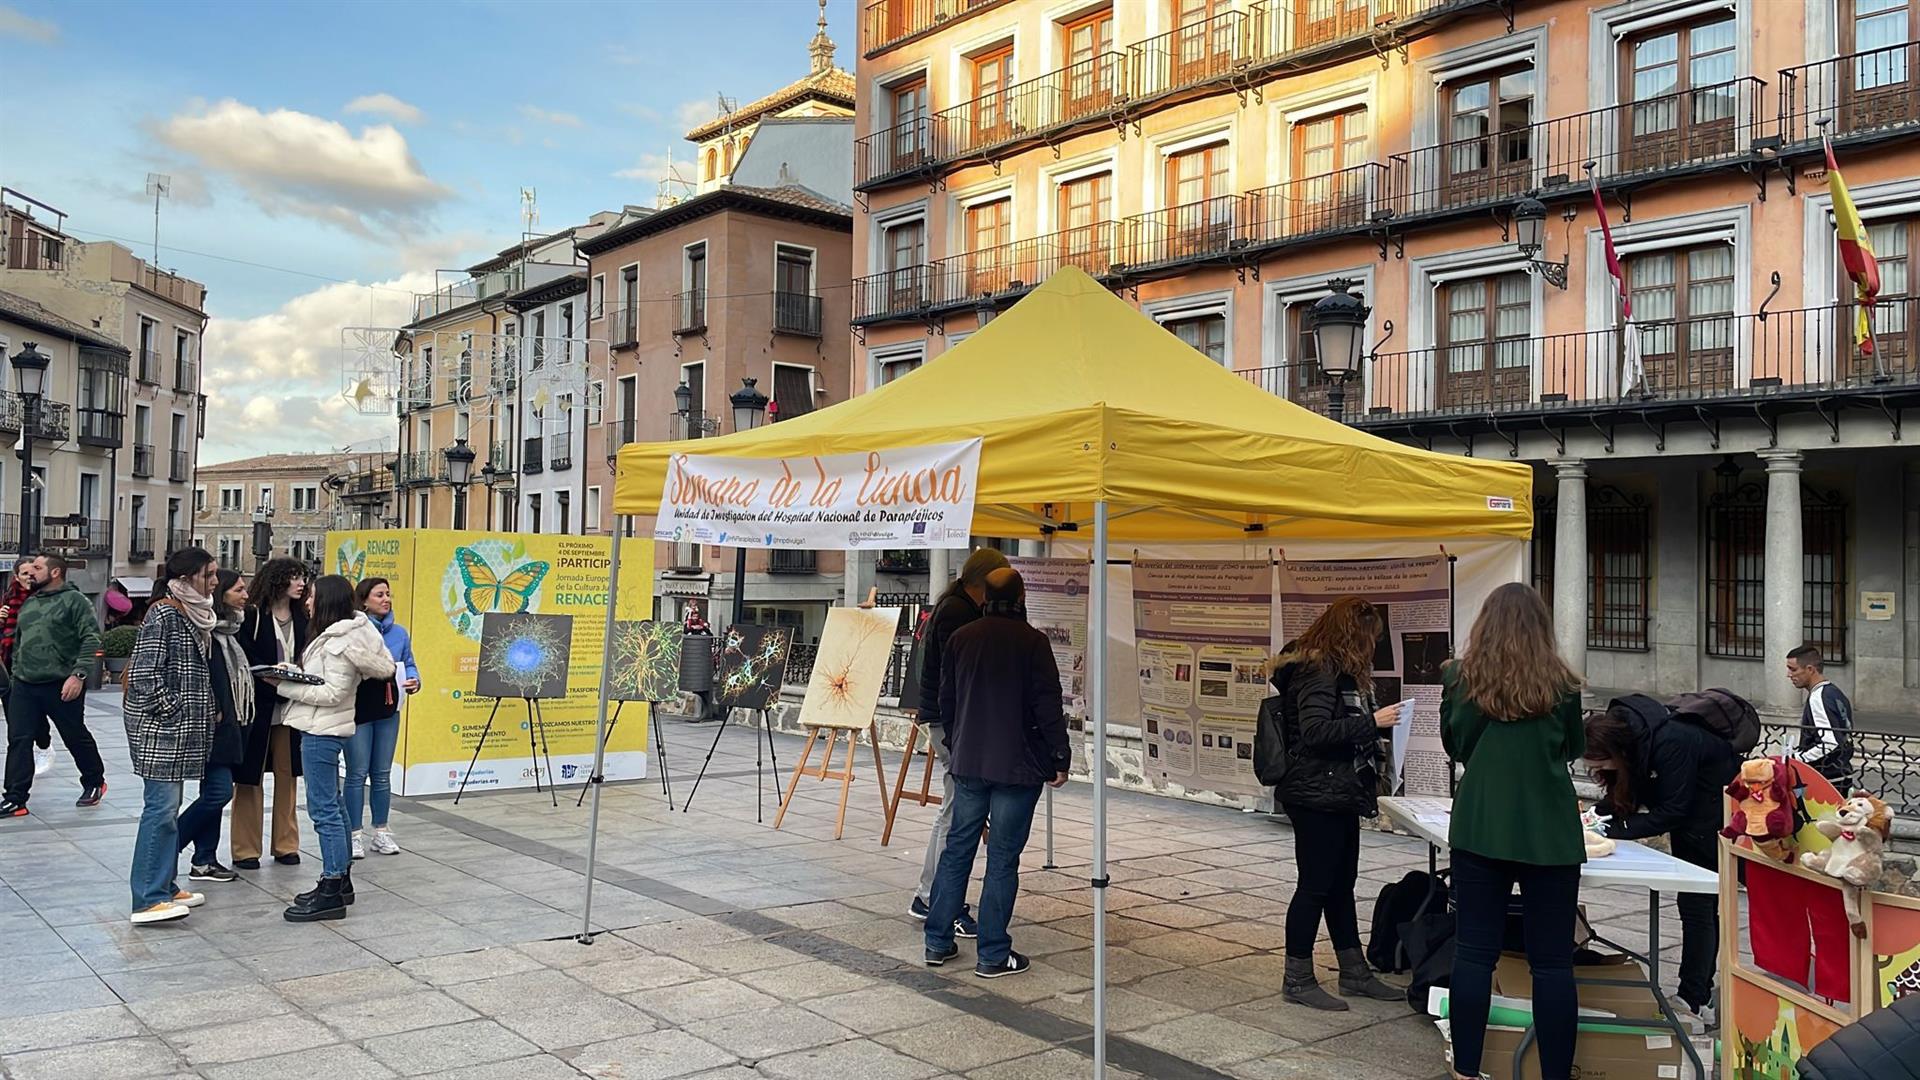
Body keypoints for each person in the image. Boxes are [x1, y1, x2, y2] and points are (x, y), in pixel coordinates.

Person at [1441, 583, 1586, 1080]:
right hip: (1550, 832)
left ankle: (1466, 1070)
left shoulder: (1461, 678)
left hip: (1482, 825)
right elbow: (1572, 748)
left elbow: (1457, 744)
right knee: (1552, 964)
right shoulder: (1562, 683)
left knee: (1474, 953)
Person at [923, 567, 1069, 979]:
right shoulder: (1033, 643)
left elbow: (946, 700)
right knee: (1003, 859)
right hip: (1017, 767)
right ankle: (992, 953)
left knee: (957, 851)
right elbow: (1047, 705)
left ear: (985, 595)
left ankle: (936, 942)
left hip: (969, 761)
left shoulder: (962, 639)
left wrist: (956, 743)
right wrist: (1060, 757)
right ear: (1021, 598)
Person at [1269, 596, 1403, 1010]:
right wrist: (1372, 723)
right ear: (1353, 635)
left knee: (1341, 884)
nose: (1373, 647)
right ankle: (1297, 978)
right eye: (1371, 638)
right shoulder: (1319, 671)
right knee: (1314, 886)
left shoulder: (1335, 669)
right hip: (1315, 792)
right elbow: (1314, 731)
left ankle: (1354, 972)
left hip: (1337, 790)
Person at [1584, 695, 1738, 1017]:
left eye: (1599, 764)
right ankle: (1699, 991)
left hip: (1710, 819)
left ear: (1615, 751)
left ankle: (1695, 997)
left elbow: (1673, 811)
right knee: (1695, 906)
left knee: (1698, 905)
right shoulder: (1637, 738)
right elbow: (1626, 793)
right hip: (1694, 815)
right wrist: (1595, 817)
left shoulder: (1671, 742)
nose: (1596, 771)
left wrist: (1612, 829)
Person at [270, 574, 398, 921]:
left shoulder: (342, 641)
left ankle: (331, 886)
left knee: (323, 809)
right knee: (335, 806)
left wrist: (283, 686)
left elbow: (331, 693)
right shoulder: (342, 634)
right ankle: (340, 882)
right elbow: (322, 680)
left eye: (311, 597)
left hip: (322, 731)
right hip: (325, 728)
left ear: (325, 601)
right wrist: (292, 672)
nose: (307, 602)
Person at [908, 547, 1009, 939]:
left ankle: (930, 894)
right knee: (956, 814)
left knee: (953, 810)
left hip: (946, 719)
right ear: (985, 582)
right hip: (951, 723)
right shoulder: (957, 611)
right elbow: (960, 672)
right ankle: (936, 898)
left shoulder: (954, 605)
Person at [123, 548, 221, 924]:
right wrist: (175, 711)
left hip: (176, 732)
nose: (214, 581)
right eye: (208, 574)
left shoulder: (192, 613)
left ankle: (163, 884)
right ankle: (147, 897)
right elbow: (146, 676)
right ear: (188, 577)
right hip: (161, 731)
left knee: (168, 810)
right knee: (160, 811)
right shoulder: (165, 613)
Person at [1, 554, 106, 817]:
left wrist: (78, 675)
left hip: (61, 683)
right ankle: (15, 798)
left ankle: (94, 781)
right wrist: (16, 676)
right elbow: (18, 642)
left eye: (37, 568)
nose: (30, 573)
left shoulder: (75, 601)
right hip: (25, 685)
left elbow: (91, 638)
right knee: (19, 739)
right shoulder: (30, 602)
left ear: (55, 572)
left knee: (74, 735)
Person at [174, 569, 256, 885]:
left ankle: (205, 859)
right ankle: (171, 845)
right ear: (222, 594)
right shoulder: (205, 632)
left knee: (216, 793)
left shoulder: (234, 632)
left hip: (231, 726)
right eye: (238, 590)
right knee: (219, 793)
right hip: (211, 726)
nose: (245, 595)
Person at [232, 557, 310, 867]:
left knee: (288, 776)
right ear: (277, 580)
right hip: (259, 707)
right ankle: (245, 849)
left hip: (292, 708)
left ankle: (286, 844)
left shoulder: (304, 617)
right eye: (294, 577)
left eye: (303, 577)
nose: (301, 583)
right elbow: (244, 659)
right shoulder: (252, 617)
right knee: (249, 780)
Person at [347, 577, 417, 858]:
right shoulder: (353, 630)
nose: (386, 599)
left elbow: (409, 662)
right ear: (364, 600)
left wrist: (413, 679)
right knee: (356, 773)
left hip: (389, 708)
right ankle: (353, 834)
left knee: (382, 774)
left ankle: (381, 831)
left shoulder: (399, 633)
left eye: (388, 594)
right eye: (379, 595)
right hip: (361, 709)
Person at [0, 563, 54, 779]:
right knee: (16, 724)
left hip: (38, 667)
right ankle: (18, 785)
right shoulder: (8, 597)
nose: (29, 577)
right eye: (25, 574)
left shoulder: (44, 597)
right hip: (10, 665)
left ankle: (44, 745)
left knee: (38, 715)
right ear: (16, 576)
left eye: (33, 573)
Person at [1787, 645, 1854, 787]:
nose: (1789, 674)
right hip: (1841, 773)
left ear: (1810, 669)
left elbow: (1830, 743)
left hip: (1826, 779)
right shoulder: (1835, 692)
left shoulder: (1819, 698)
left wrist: (1796, 758)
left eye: (1793, 669)